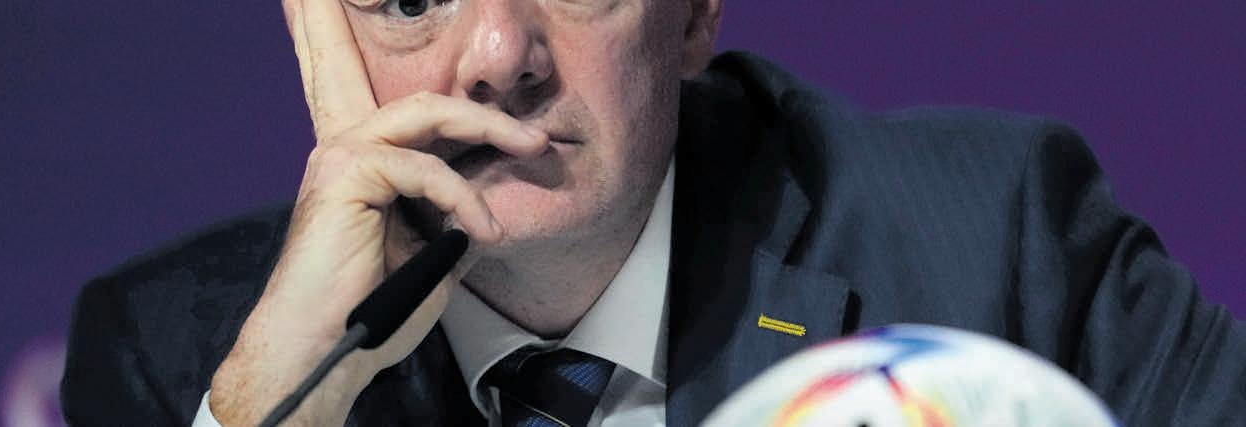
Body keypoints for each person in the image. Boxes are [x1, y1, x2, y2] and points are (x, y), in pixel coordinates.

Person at [60, 0, 1246, 425]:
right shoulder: (182, 362)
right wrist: (281, 410)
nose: (499, 54)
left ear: (695, 13)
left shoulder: (998, 244)